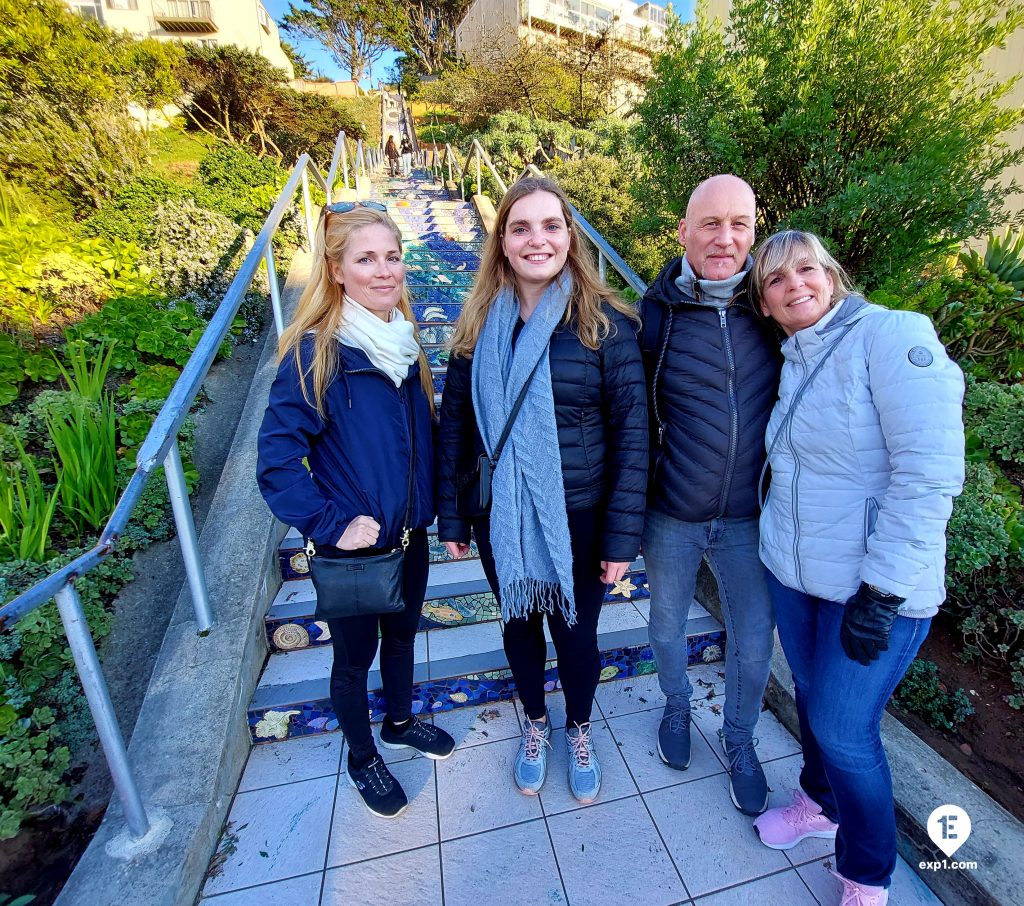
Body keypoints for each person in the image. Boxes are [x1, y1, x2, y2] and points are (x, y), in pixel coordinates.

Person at [750, 230, 965, 905]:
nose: (797, 286)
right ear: (765, 305)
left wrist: (885, 589)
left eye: (807, 270)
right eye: (778, 281)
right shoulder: (793, 357)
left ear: (832, 274)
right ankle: (821, 805)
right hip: (797, 575)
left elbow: (928, 474)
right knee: (814, 704)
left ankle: (868, 871)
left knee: (846, 728)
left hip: (872, 587)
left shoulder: (892, 336)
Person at [437, 177, 648, 803]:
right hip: (502, 513)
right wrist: (451, 519)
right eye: (521, 227)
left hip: (580, 515)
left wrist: (621, 535)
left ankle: (578, 728)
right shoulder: (476, 329)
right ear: (502, 241)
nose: (537, 239)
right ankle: (535, 723)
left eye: (551, 225)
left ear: (569, 237)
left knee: (576, 634)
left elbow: (634, 435)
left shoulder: (605, 326)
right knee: (518, 627)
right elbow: (455, 427)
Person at [257, 202, 455, 820]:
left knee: (402, 640)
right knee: (353, 660)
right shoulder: (315, 354)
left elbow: (424, 441)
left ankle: (399, 723)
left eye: (392, 256)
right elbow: (277, 460)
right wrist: (331, 524)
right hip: (353, 549)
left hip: (409, 536)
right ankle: (363, 756)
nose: (384, 270)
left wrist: (441, 515)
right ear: (337, 270)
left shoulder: (405, 347)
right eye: (365, 258)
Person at [637, 175, 781, 816]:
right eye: (711, 224)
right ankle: (675, 706)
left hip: (750, 515)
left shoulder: (774, 307)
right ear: (684, 231)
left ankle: (740, 740)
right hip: (672, 511)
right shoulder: (654, 315)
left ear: (754, 230)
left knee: (755, 643)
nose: (726, 238)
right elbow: (627, 413)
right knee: (666, 627)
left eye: (740, 224)